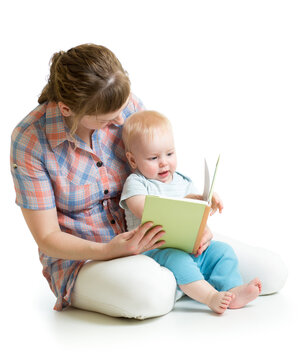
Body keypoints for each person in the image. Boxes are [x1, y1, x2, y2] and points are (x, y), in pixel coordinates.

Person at [10, 43, 287, 319]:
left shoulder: (120, 101)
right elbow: (47, 238)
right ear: (67, 109)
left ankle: (191, 281)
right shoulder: (31, 140)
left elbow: (158, 172)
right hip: (88, 259)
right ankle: (191, 283)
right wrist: (109, 249)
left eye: (123, 107)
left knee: (272, 273)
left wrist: (193, 226)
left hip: (158, 239)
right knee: (152, 294)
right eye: (107, 119)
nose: (121, 118)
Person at [120, 110, 262, 314]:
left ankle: (232, 290)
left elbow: (196, 215)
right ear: (133, 161)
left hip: (189, 246)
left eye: (169, 154)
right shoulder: (137, 183)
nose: (163, 162)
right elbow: (145, 209)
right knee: (177, 259)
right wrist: (188, 202)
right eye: (153, 157)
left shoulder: (183, 181)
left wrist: (206, 201)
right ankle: (211, 297)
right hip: (154, 251)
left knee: (223, 251)